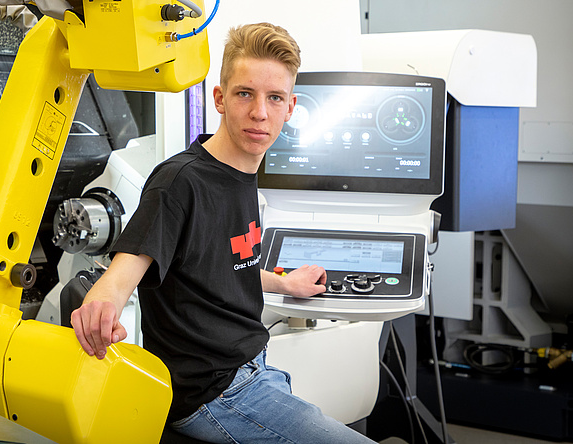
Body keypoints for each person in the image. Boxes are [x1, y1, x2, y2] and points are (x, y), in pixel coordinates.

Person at [71, 23, 375, 443]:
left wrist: (285, 282)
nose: (259, 113)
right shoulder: (180, 181)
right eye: (245, 94)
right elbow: (121, 275)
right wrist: (100, 306)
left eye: (275, 98)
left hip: (254, 370)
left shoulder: (243, 172)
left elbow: (225, 266)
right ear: (220, 98)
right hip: (216, 394)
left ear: (291, 108)